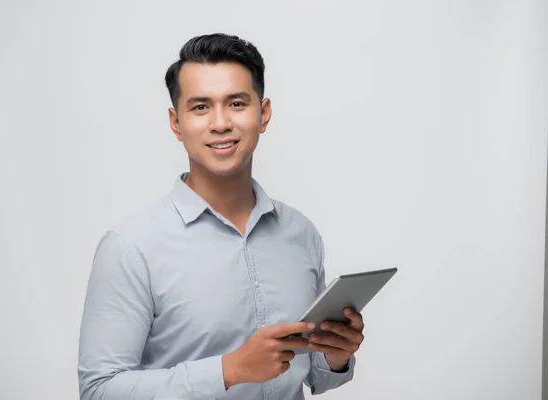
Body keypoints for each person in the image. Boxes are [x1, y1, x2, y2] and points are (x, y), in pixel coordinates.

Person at [78, 33, 365, 400]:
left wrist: (335, 356)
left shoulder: (301, 233)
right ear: (176, 122)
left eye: (237, 103)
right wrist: (228, 371)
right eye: (200, 107)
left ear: (263, 114)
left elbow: (315, 378)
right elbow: (98, 391)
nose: (220, 123)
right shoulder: (130, 248)